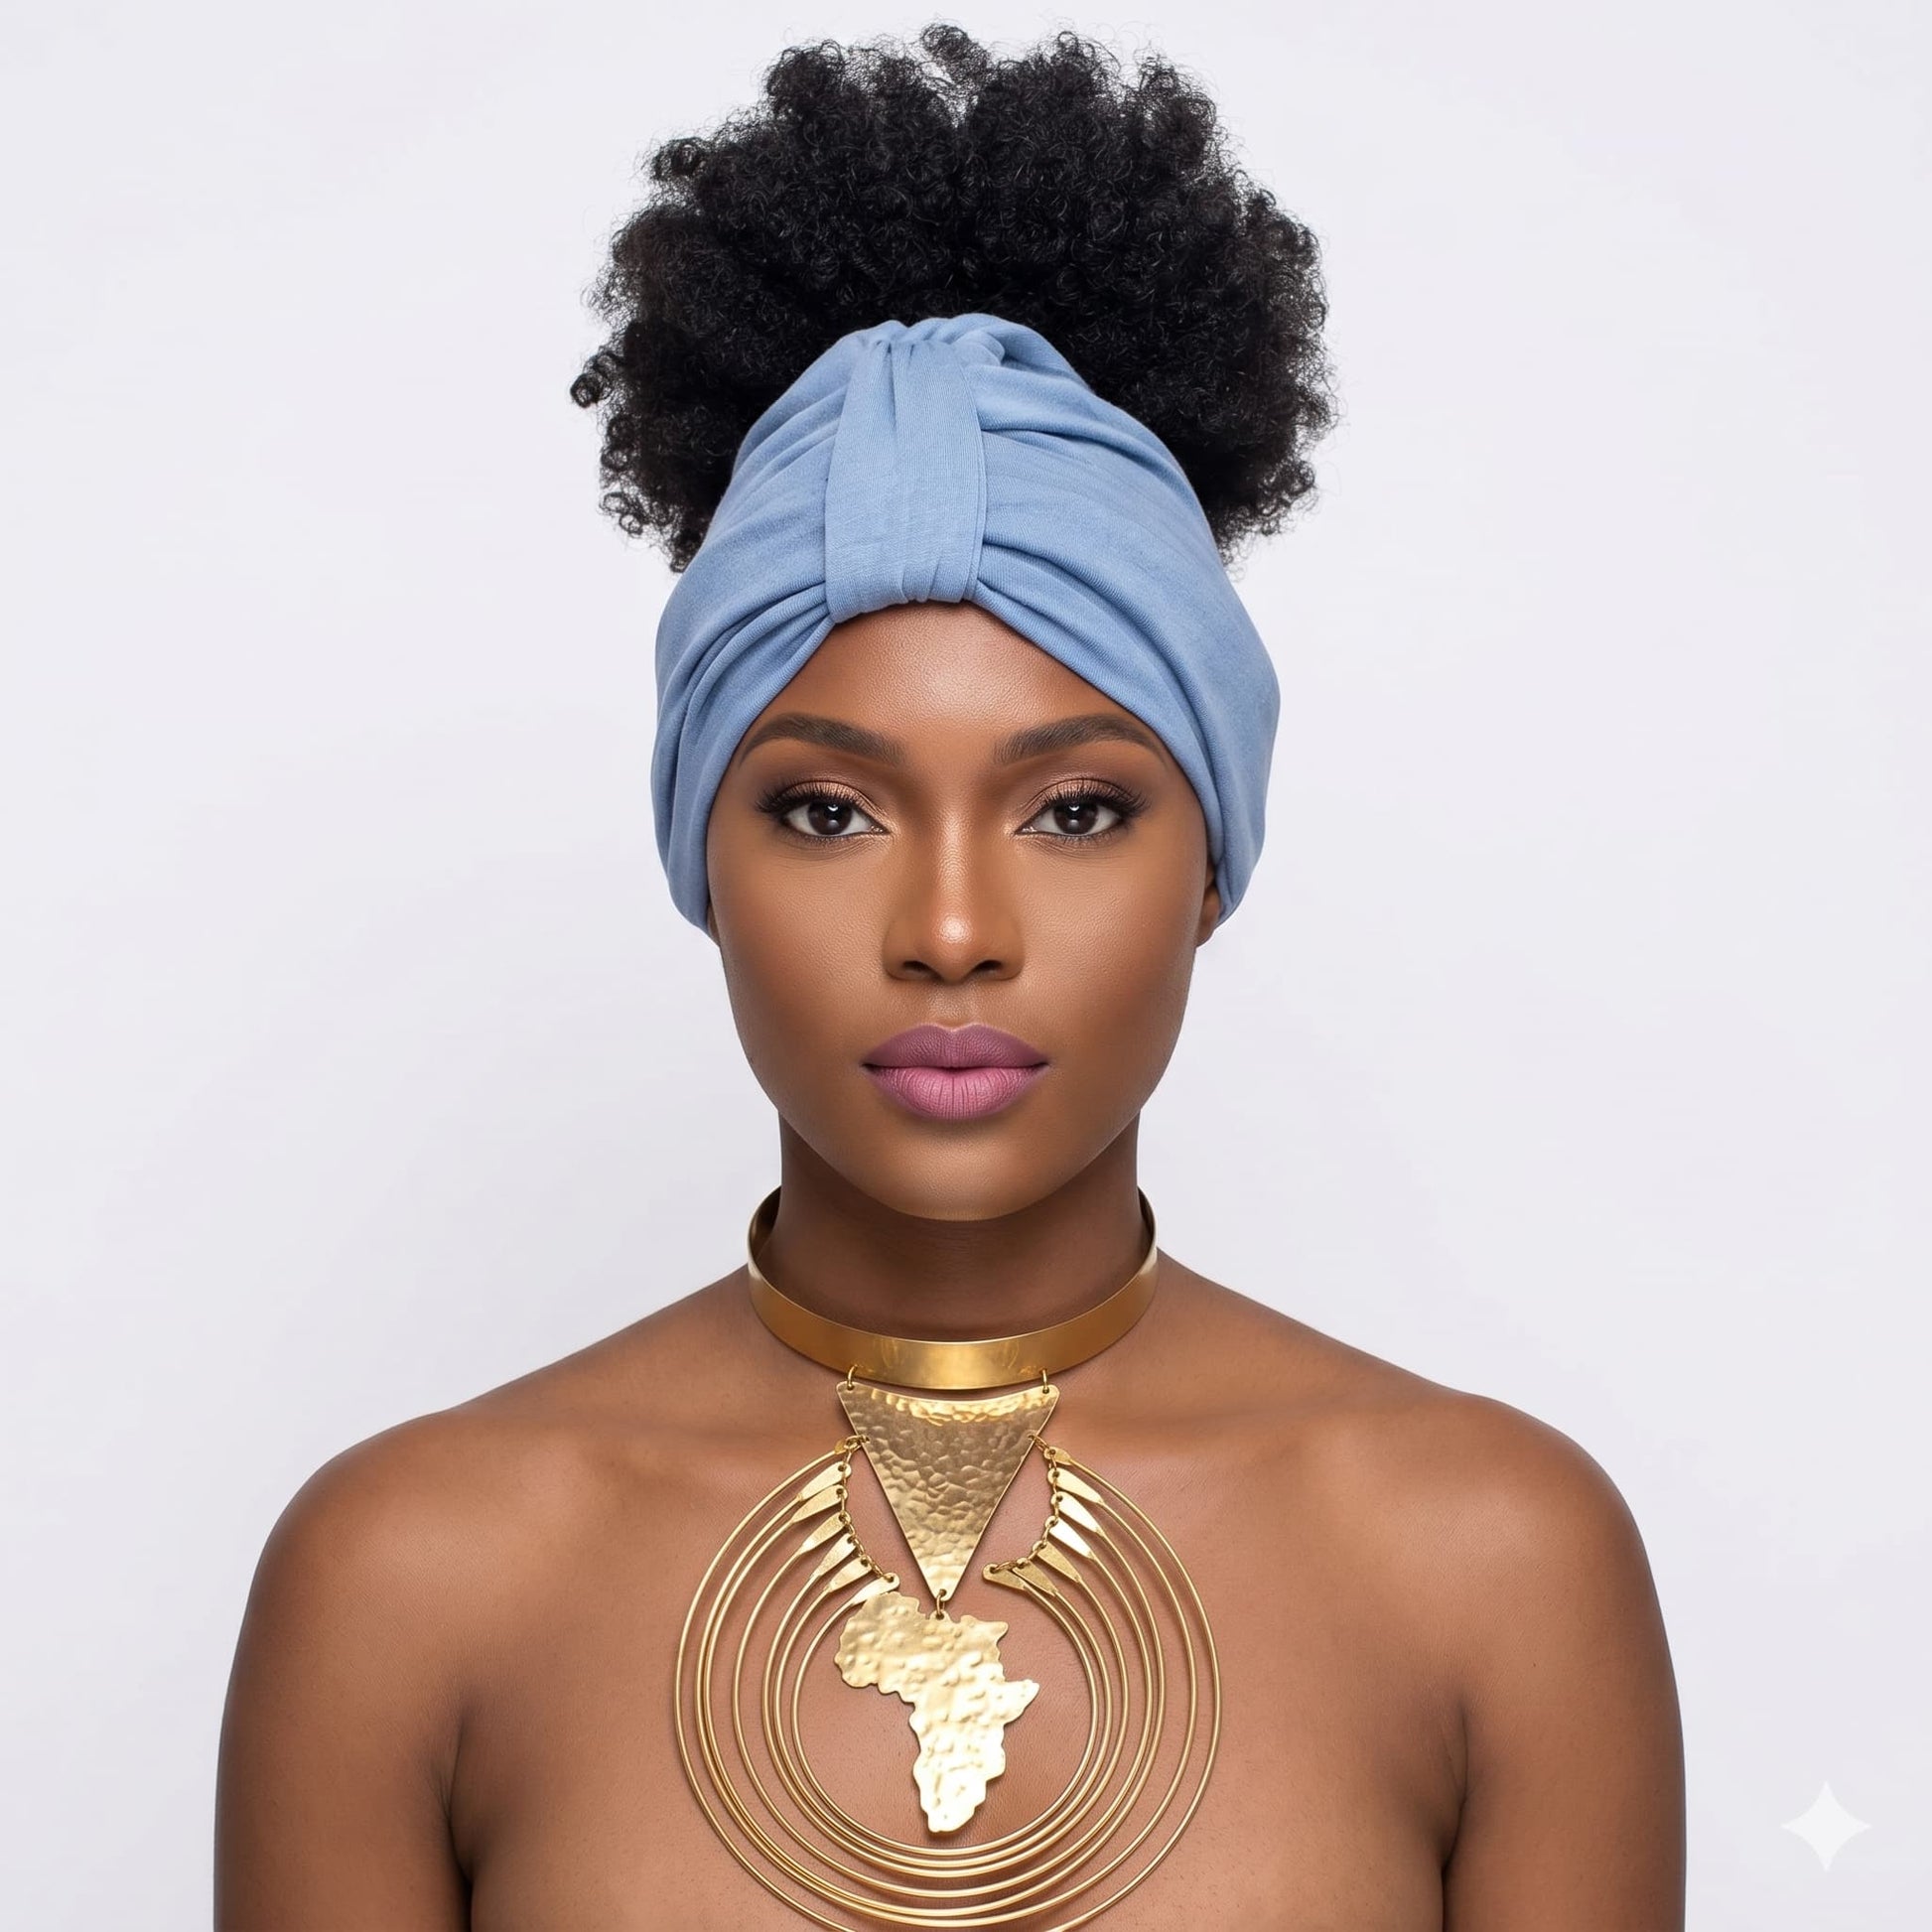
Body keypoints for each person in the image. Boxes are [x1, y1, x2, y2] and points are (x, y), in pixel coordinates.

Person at [213, 26, 1686, 1929]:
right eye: (828, 812)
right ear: (699, 862)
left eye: (1075, 811)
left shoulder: (1493, 1561)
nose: (954, 926)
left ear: (1214, 862)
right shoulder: (404, 1577)